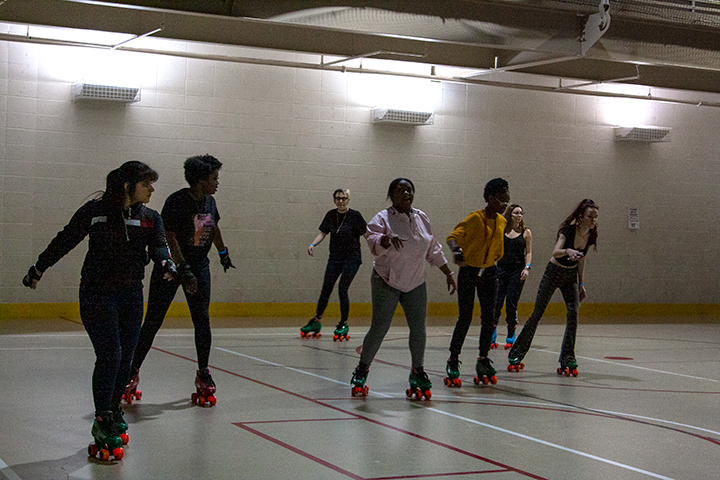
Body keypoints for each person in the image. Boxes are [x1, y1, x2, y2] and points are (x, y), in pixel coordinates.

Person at [22, 161, 174, 460]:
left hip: (131, 295)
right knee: (110, 355)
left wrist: (167, 264)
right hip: (96, 294)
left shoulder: (150, 219)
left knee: (126, 357)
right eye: (147, 184)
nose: (152, 189)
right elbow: (65, 239)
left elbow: (159, 247)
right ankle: (102, 419)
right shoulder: (95, 212)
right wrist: (39, 267)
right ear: (129, 186)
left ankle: (114, 407)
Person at [126, 154, 235, 408]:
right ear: (199, 180)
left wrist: (223, 252)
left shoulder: (209, 202)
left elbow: (213, 228)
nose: (217, 183)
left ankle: (204, 372)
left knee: (202, 321)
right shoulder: (176, 202)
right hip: (172, 268)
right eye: (214, 178)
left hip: (200, 267)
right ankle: (132, 372)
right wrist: (182, 269)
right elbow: (169, 237)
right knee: (153, 320)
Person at [350, 178, 456, 400]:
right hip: (387, 279)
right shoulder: (382, 218)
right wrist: (386, 240)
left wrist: (447, 272)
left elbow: (433, 248)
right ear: (392, 195)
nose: (406, 193)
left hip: (415, 282)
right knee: (380, 327)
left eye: (409, 189)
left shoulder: (422, 218)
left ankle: (417, 371)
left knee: (419, 329)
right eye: (400, 190)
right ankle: (362, 369)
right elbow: (372, 239)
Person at [507, 199, 599, 376]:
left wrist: (581, 284)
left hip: (570, 276)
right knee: (537, 313)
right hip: (554, 272)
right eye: (590, 216)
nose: (593, 220)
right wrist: (568, 251)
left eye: (595, 217)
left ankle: (568, 357)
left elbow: (582, 260)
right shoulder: (568, 231)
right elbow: (556, 252)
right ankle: (517, 353)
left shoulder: (591, 234)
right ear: (581, 216)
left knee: (573, 313)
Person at [445, 178, 510, 387]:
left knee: (488, 318)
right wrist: (456, 250)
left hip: (490, 271)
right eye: (503, 196)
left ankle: (483, 358)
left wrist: (494, 260)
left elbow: (499, 247)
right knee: (465, 317)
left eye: (508, 195)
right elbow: (452, 236)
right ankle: (453, 359)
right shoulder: (474, 218)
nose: (507, 201)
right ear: (491, 198)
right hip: (469, 271)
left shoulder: (501, 221)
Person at [300, 189, 367, 341]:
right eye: (338, 198)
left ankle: (343, 323)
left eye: (343, 198)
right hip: (335, 258)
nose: (341, 201)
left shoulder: (355, 216)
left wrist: (378, 248)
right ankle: (316, 321)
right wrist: (313, 244)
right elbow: (322, 233)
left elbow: (367, 234)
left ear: (348, 200)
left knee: (342, 288)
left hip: (352, 258)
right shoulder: (331, 215)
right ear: (334, 200)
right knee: (326, 288)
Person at [491, 204, 532, 350]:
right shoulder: (503, 230)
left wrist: (527, 268)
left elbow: (528, 252)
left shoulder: (526, 232)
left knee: (511, 304)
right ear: (510, 215)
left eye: (521, 213)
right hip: (501, 270)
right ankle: (492, 334)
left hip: (517, 271)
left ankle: (510, 334)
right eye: (516, 213)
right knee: (497, 303)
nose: (519, 215)